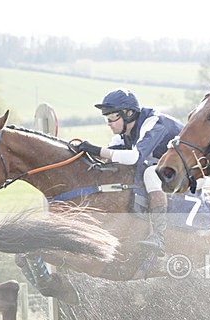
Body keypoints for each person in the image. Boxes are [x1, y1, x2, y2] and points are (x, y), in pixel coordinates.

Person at [75, 88, 184, 255]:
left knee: (150, 174)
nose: (109, 123)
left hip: (191, 169)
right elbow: (110, 156)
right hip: (167, 164)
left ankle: (159, 237)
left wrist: (96, 149)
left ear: (128, 114)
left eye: (112, 117)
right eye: (107, 118)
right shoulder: (123, 132)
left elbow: (134, 157)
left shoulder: (154, 122)